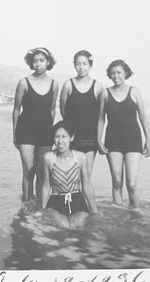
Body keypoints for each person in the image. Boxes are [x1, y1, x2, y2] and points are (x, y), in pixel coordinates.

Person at [97, 60, 150, 209]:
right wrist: (98, 140)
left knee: (132, 184)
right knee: (117, 181)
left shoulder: (134, 91)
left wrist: (148, 140)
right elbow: (101, 119)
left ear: (126, 73)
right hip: (112, 140)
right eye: (113, 73)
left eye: (119, 72)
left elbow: (143, 116)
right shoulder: (105, 93)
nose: (116, 76)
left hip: (133, 140)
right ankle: (118, 213)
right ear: (109, 74)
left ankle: (136, 213)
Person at [13, 47, 58, 202]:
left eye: (41, 61)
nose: (38, 64)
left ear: (48, 62)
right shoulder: (24, 83)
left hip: (45, 133)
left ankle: (40, 206)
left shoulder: (54, 84)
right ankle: (26, 206)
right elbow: (16, 110)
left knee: (42, 172)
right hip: (25, 132)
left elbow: (52, 111)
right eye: (35, 61)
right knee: (28, 171)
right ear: (31, 63)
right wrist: (15, 135)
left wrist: (49, 131)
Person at [41, 120, 98, 228]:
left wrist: (94, 211)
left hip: (77, 200)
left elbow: (87, 186)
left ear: (71, 138)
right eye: (57, 137)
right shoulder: (48, 158)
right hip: (56, 201)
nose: (60, 141)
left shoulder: (81, 157)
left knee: (78, 227)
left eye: (64, 136)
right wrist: (43, 211)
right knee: (64, 227)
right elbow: (46, 186)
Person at [60, 50, 103, 178]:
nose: (81, 67)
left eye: (84, 64)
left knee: (86, 176)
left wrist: (99, 138)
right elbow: (63, 110)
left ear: (90, 65)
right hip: (73, 137)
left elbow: (101, 115)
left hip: (90, 137)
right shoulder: (68, 85)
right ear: (74, 65)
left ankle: (84, 199)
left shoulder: (98, 87)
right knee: (71, 175)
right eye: (78, 64)